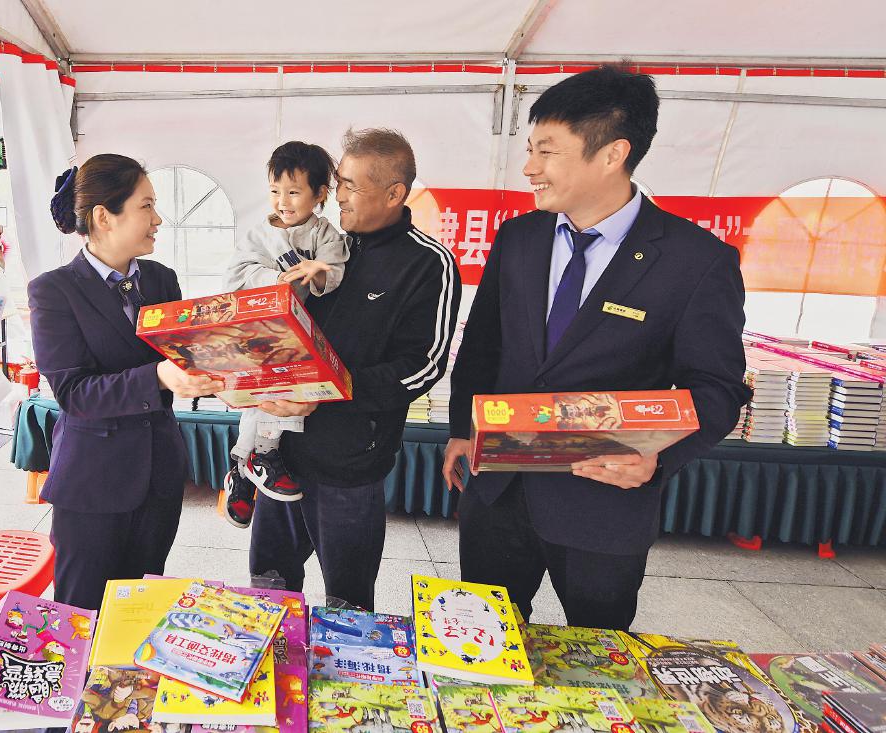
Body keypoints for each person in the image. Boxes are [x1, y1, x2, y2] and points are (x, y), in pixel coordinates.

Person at [442, 65, 751, 631]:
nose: (529, 168)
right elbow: (483, 344)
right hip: (498, 492)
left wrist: (658, 460)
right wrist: (463, 427)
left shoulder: (696, 262)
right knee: (484, 641)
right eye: (530, 149)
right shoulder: (520, 238)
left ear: (612, 154)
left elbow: (718, 389)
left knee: (601, 652)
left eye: (547, 152)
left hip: (602, 504)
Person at [248, 128, 460, 611]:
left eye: (349, 185)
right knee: (268, 586)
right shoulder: (324, 245)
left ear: (394, 193)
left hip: (349, 466)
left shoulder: (427, 263)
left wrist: (324, 392)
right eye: (338, 182)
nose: (336, 194)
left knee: (347, 603)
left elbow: (422, 367)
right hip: (281, 456)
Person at [28, 154, 224, 611]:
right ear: (104, 217)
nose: (158, 219)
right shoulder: (54, 291)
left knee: (139, 606)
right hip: (93, 482)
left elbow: (181, 356)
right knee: (83, 612)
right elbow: (74, 393)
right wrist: (158, 376)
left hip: (159, 473)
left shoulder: (160, 280)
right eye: (146, 206)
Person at [219, 141, 348, 529]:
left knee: (286, 393)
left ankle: (249, 463)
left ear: (319, 194)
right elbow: (235, 276)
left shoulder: (325, 234)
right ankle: (253, 460)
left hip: (299, 332)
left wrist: (318, 273)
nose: (282, 201)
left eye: (294, 192)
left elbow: (336, 269)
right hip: (260, 329)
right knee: (261, 396)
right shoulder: (258, 235)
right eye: (275, 191)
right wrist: (274, 279)